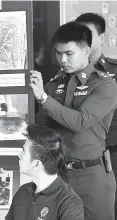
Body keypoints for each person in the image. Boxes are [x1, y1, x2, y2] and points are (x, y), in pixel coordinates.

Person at [31, 21, 117, 220]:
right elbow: (42, 131)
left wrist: (43, 98)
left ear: (86, 50)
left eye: (69, 53)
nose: (62, 59)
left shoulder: (105, 85)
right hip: (57, 176)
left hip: (92, 177)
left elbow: (80, 122)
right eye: (58, 53)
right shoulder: (52, 85)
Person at [75, 13, 117, 217]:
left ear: (101, 37)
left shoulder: (114, 72)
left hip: (113, 155)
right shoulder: (64, 77)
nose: (84, 40)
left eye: (89, 34)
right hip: (79, 162)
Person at [0, 124, 84, 220]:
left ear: (36, 164)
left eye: (23, 151)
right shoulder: (22, 192)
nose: (19, 155)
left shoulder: (68, 203)